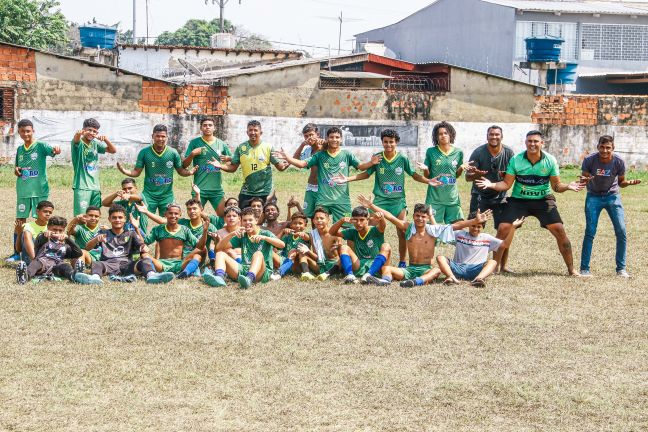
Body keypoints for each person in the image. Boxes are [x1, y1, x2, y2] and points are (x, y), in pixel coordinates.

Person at [476, 130, 584, 276]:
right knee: (503, 228)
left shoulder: (550, 160)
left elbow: (556, 186)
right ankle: (494, 267)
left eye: (535, 141)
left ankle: (572, 270)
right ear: (526, 142)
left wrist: (568, 186)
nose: (532, 144)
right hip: (519, 200)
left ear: (542, 143)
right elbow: (507, 184)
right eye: (530, 141)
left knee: (559, 229)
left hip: (543, 200)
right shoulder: (516, 160)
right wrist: (492, 185)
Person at [332, 128, 442, 267]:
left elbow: (414, 175)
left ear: (397, 142)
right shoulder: (378, 157)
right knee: (369, 230)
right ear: (382, 142)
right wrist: (348, 178)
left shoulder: (402, 158)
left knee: (402, 232)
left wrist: (428, 180)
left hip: (398, 201)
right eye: (385, 142)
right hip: (380, 201)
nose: (388, 144)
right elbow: (366, 174)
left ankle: (402, 262)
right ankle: (367, 259)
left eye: (391, 142)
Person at [358, 196, 488, 287]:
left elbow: (457, 225)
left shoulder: (433, 230)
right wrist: (371, 206)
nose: (420, 219)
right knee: (386, 268)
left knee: (436, 271)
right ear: (413, 216)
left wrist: (474, 221)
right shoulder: (408, 228)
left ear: (427, 218)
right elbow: (390, 216)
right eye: (417, 216)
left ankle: (416, 282)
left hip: (425, 269)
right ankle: (385, 281)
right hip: (410, 269)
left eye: (423, 216)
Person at [273, 127, 373, 223]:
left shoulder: (347, 154)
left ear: (341, 139)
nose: (334, 139)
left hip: (343, 201)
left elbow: (361, 166)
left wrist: (372, 162)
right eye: (331, 137)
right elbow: (302, 164)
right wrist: (287, 158)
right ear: (327, 139)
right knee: (318, 224)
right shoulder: (320, 155)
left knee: (348, 225)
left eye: (337, 137)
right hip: (322, 201)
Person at [579, 135, 641, 278]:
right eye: (602, 147)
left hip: (612, 196)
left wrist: (630, 183)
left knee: (621, 231)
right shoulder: (589, 160)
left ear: (613, 148)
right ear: (598, 147)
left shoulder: (618, 161)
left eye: (608, 148)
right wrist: (585, 180)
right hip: (593, 196)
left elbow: (621, 182)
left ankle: (621, 269)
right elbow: (584, 178)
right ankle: (584, 269)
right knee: (590, 232)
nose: (605, 150)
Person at [464, 125, 515, 272]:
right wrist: (477, 174)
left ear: (501, 136)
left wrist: (505, 177)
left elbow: (513, 175)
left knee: (504, 230)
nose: (494, 137)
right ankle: (472, 263)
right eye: (491, 135)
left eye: (497, 135)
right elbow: (468, 178)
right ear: (487, 137)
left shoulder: (509, 153)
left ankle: (502, 266)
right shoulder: (478, 152)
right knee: (475, 228)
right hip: (480, 196)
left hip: (501, 196)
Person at [116, 124, 197, 215]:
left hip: (167, 196)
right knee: (142, 219)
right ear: (152, 136)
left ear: (167, 137)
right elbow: (136, 172)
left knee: (169, 222)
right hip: (149, 195)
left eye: (163, 136)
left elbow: (181, 171)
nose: (160, 139)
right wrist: (124, 171)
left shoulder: (173, 152)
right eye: (157, 136)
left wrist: (189, 172)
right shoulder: (144, 152)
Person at [10, 119, 61, 261]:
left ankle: (45, 249)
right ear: (19, 132)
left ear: (33, 131)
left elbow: (52, 151)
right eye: (22, 131)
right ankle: (16, 253)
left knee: (41, 219)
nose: (25, 134)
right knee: (20, 220)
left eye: (28, 131)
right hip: (23, 190)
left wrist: (56, 150)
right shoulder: (20, 149)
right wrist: (16, 170)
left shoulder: (41, 145)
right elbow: (17, 169)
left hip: (39, 190)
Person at [212, 120, 287, 209]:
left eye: (255, 130)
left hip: (266, 191)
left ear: (261, 132)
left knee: (267, 220)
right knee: (243, 219)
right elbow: (233, 168)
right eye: (250, 130)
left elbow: (280, 167)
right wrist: (221, 166)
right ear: (247, 132)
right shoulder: (241, 148)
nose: (253, 132)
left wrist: (289, 160)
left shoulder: (268, 147)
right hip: (247, 192)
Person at [204, 207, 285, 288]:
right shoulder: (242, 235)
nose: (247, 223)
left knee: (258, 254)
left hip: (262, 272)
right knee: (220, 254)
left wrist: (265, 238)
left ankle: (249, 279)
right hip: (244, 270)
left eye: (250, 220)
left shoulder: (266, 233)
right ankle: (219, 278)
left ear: (256, 221)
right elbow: (219, 248)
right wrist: (231, 234)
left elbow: (282, 245)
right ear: (241, 222)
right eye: (244, 220)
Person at [74, 204, 156, 284]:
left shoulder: (131, 234)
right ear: (109, 219)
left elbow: (142, 245)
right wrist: (96, 239)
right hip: (107, 264)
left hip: (127, 265)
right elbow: (87, 248)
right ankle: (95, 278)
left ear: (125, 219)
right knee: (97, 263)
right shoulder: (102, 233)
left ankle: (151, 276)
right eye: (114, 217)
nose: (117, 220)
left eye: (120, 217)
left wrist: (143, 245)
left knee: (145, 261)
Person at [437, 213, 524, 287]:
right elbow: (442, 230)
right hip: (458, 267)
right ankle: (452, 277)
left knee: (493, 262)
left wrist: (513, 228)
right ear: (468, 225)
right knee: (440, 257)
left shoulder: (487, 238)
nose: (475, 229)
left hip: (476, 269)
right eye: (473, 225)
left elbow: (505, 244)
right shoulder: (460, 234)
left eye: (479, 226)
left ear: (483, 227)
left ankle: (478, 279)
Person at [133, 203, 210, 282]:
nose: (173, 216)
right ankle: (152, 274)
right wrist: (136, 229)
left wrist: (205, 231)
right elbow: (144, 243)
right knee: (145, 255)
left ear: (180, 215)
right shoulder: (158, 229)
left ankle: (185, 273)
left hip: (180, 264)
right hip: (161, 264)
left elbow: (200, 246)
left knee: (197, 256)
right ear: (165, 214)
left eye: (176, 214)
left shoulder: (185, 230)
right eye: (170, 213)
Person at [420, 121, 475, 223]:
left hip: (452, 198)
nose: (443, 136)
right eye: (440, 134)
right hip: (434, 198)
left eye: (445, 133)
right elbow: (428, 177)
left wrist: (461, 168)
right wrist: (426, 169)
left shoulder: (458, 152)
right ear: (436, 137)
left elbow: (456, 175)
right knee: (431, 230)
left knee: (457, 228)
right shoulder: (431, 151)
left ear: (451, 135)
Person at [329, 205, 392, 284]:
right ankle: (350, 276)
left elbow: (383, 226)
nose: (358, 223)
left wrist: (381, 218)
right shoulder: (352, 232)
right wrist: (341, 221)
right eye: (355, 220)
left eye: (362, 220)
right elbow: (331, 232)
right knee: (344, 247)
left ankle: (369, 275)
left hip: (377, 267)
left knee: (386, 246)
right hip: (359, 265)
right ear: (352, 220)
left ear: (367, 220)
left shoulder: (375, 230)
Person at [183, 117, 232, 211]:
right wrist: (192, 154)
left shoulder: (221, 144)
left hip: (216, 189)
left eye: (210, 125)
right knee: (196, 216)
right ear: (201, 128)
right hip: (199, 189)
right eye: (205, 125)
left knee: (224, 216)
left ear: (214, 128)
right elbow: (184, 165)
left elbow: (232, 164)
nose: (207, 127)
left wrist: (226, 160)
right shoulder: (194, 143)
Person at [16, 216, 83, 284]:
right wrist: (45, 235)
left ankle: (74, 276)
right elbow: (39, 241)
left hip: (57, 266)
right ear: (48, 227)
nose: (57, 232)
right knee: (35, 263)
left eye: (60, 230)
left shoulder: (65, 245)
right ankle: (25, 276)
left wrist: (68, 239)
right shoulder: (42, 238)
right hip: (42, 263)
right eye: (54, 229)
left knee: (66, 266)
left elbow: (79, 253)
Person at [71, 118, 117, 215]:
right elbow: (76, 139)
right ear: (83, 129)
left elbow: (113, 150)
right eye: (89, 130)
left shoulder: (95, 144)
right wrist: (78, 134)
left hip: (95, 187)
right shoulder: (79, 143)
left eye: (94, 131)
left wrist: (106, 140)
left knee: (94, 215)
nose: (92, 133)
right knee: (81, 216)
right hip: (82, 186)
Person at [293, 123, 326, 218]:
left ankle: (322, 233)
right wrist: (302, 144)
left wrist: (324, 143)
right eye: (306, 136)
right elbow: (295, 159)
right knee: (311, 216)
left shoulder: (325, 148)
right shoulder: (308, 150)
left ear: (317, 134)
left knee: (321, 215)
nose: (309, 138)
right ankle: (314, 233)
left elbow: (332, 146)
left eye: (311, 135)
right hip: (311, 186)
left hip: (323, 187)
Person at [303, 207, 343, 281]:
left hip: (335, 266)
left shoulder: (335, 234)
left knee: (344, 256)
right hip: (320, 266)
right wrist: (307, 251)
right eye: (316, 218)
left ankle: (329, 273)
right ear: (313, 221)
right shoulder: (313, 234)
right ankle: (306, 273)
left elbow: (342, 255)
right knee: (302, 253)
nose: (319, 221)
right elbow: (317, 257)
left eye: (321, 218)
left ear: (328, 220)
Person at [276, 212, 314, 280]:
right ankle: (281, 269)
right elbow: (275, 246)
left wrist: (303, 235)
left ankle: (279, 272)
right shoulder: (287, 236)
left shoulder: (306, 236)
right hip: (284, 261)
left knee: (294, 250)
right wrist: (282, 232)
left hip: (297, 264)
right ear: (291, 225)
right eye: (295, 223)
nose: (297, 226)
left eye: (300, 223)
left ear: (305, 225)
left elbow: (307, 237)